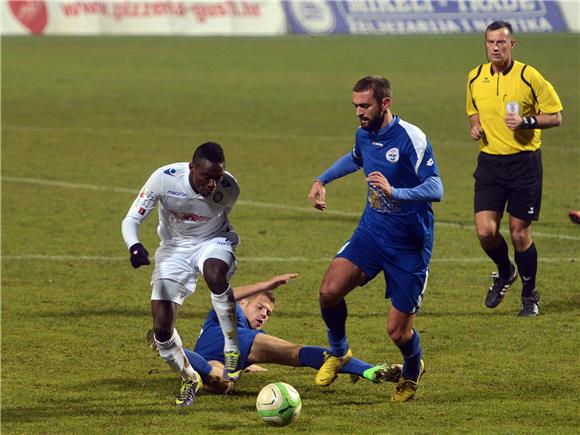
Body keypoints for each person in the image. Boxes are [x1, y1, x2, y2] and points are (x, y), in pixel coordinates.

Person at [307, 76, 443, 402]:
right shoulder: (364, 134)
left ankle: (412, 367)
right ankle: (339, 352)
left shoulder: (412, 137)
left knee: (398, 331)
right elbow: (356, 158)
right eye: (355, 105)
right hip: (371, 234)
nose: (358, 112)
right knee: (329, 292)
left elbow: (435, 187)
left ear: (385, 103)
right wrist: (322, 179)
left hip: (409, 246)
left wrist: (395, 191)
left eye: (364, 105)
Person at [121, 141, 244, 406]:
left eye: (217, 177)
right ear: (192, 168)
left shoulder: (229, 189)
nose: (212, 185)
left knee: (215, 274)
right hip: (174, 249)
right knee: (162, 328)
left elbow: (218, 218)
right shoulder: (164, 180)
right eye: (206, 177)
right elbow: (131, 219)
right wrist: (135, 246)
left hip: (214, 241)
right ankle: (189, 378)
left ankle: (232, 348)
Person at [466, 21, 563, 317]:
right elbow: (474, 111)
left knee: (520, 234)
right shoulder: (475, 77)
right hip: (490, 163)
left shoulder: (527, 75)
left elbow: (556, 115)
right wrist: (476, 127)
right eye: (490, 42)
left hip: (524, 164)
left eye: (501, 43)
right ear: (485, 44)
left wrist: (527, 122)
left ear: (512, 44)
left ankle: (529, 294)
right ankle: (505, 270)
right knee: (486, 231)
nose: (495, 48)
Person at [172, 273, 402, 396]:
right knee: (295, 352)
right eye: (260, 307)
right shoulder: (232, 314)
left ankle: (174, 349)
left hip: (213, 356)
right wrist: (266, 283)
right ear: (244, 302)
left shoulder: (234, 327)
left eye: (268, 313)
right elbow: (225, 294)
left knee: (220, 381)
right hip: (237, 344)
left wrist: (247, 364)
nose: (264, 314)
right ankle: (370, 370)